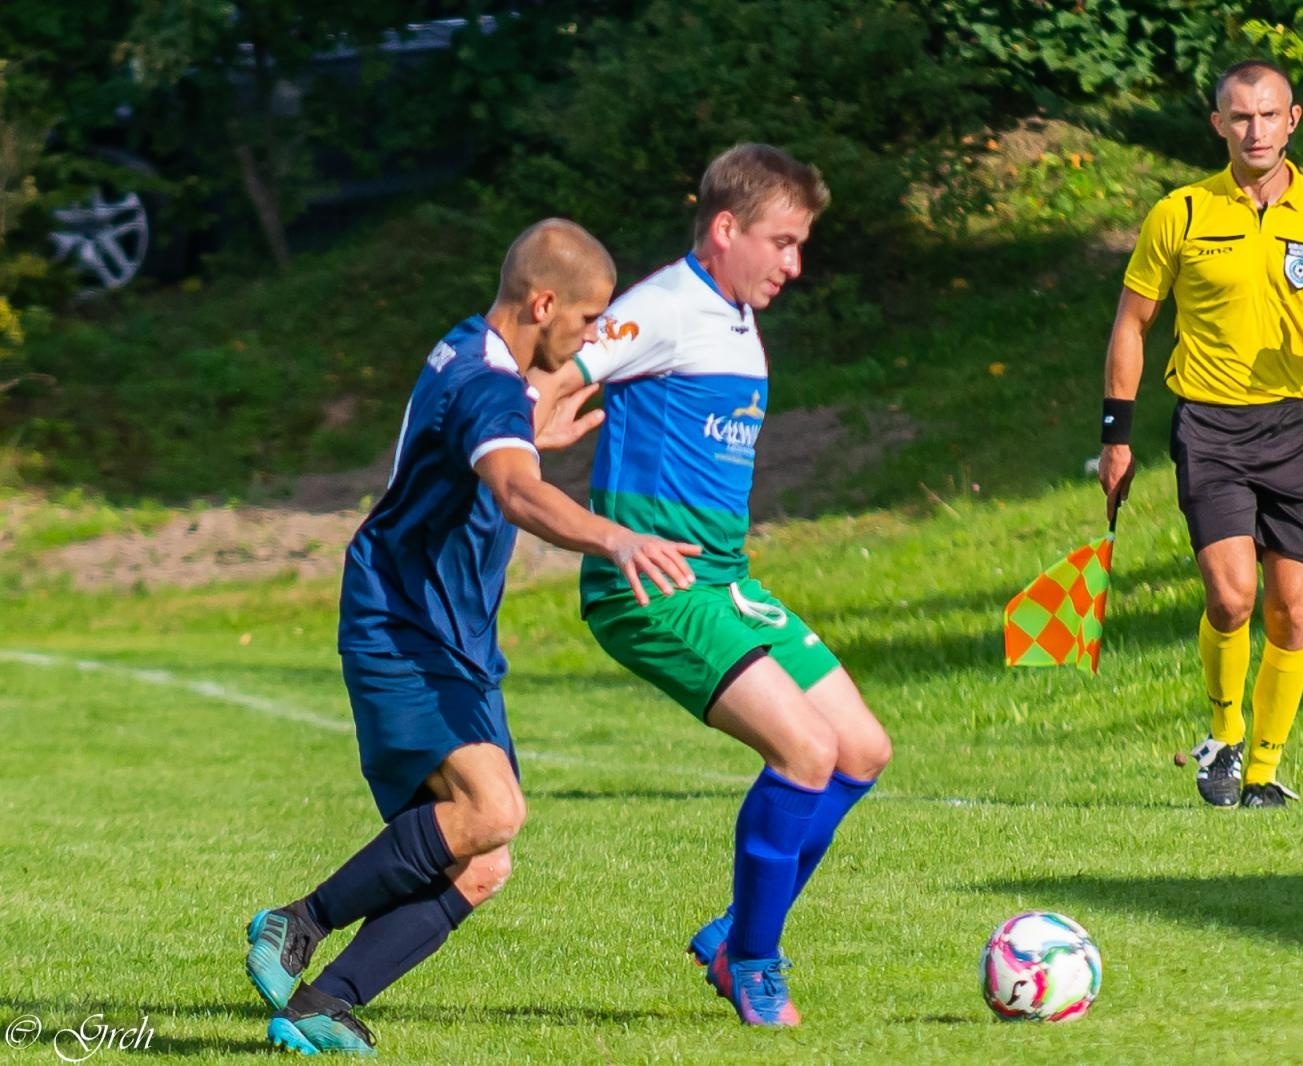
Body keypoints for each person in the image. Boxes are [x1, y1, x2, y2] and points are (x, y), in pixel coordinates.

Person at [243, 219, 701, 1055]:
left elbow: (487, 443)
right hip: (404, 626)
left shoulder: (469, 352)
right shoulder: (489, 392)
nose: (594, 336)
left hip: (452, 638)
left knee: (482, 862)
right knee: (492, 809)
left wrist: (533, 432)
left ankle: (324, 1002)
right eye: (590, 318)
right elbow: (517, 496)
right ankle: (295, 924)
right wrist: (616, 539)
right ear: (545, 301)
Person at [538, 143, 893, 1027]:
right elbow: (548, 382)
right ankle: (755, 961)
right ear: (726, 228)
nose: (794, 263)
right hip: (651, 589)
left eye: (801, 244)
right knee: (803, 754)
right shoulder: (660, 307)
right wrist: (532, 436)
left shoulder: (731, 313)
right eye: (782, 241)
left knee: (861, 750)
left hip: (723, 579)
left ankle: (739, 929)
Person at [1097, 59, 1303, 809]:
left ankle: (1264, 772)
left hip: (1302, 428)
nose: (1255, 130)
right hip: (1210, 425)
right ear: (1218, 126)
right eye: (1240, 117)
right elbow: (1132, 324)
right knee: (1232, 599)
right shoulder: (1182, 213)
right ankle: (1224, 735)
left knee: (1293, 611)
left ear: (1292, 120)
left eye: (1269, 116)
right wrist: (1117, 435)